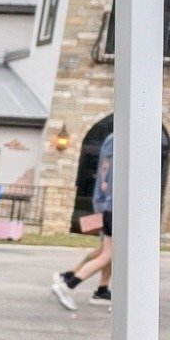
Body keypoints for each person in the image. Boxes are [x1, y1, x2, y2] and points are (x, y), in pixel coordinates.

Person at [52, 133, 115, 311]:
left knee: (107, 251)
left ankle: (99, 289)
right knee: (109, 253)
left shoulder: (113, 138)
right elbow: (112, 174)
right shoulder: (122, 137)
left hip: (109, 205)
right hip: (115, 206)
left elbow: (106, 172)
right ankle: (69, 283)